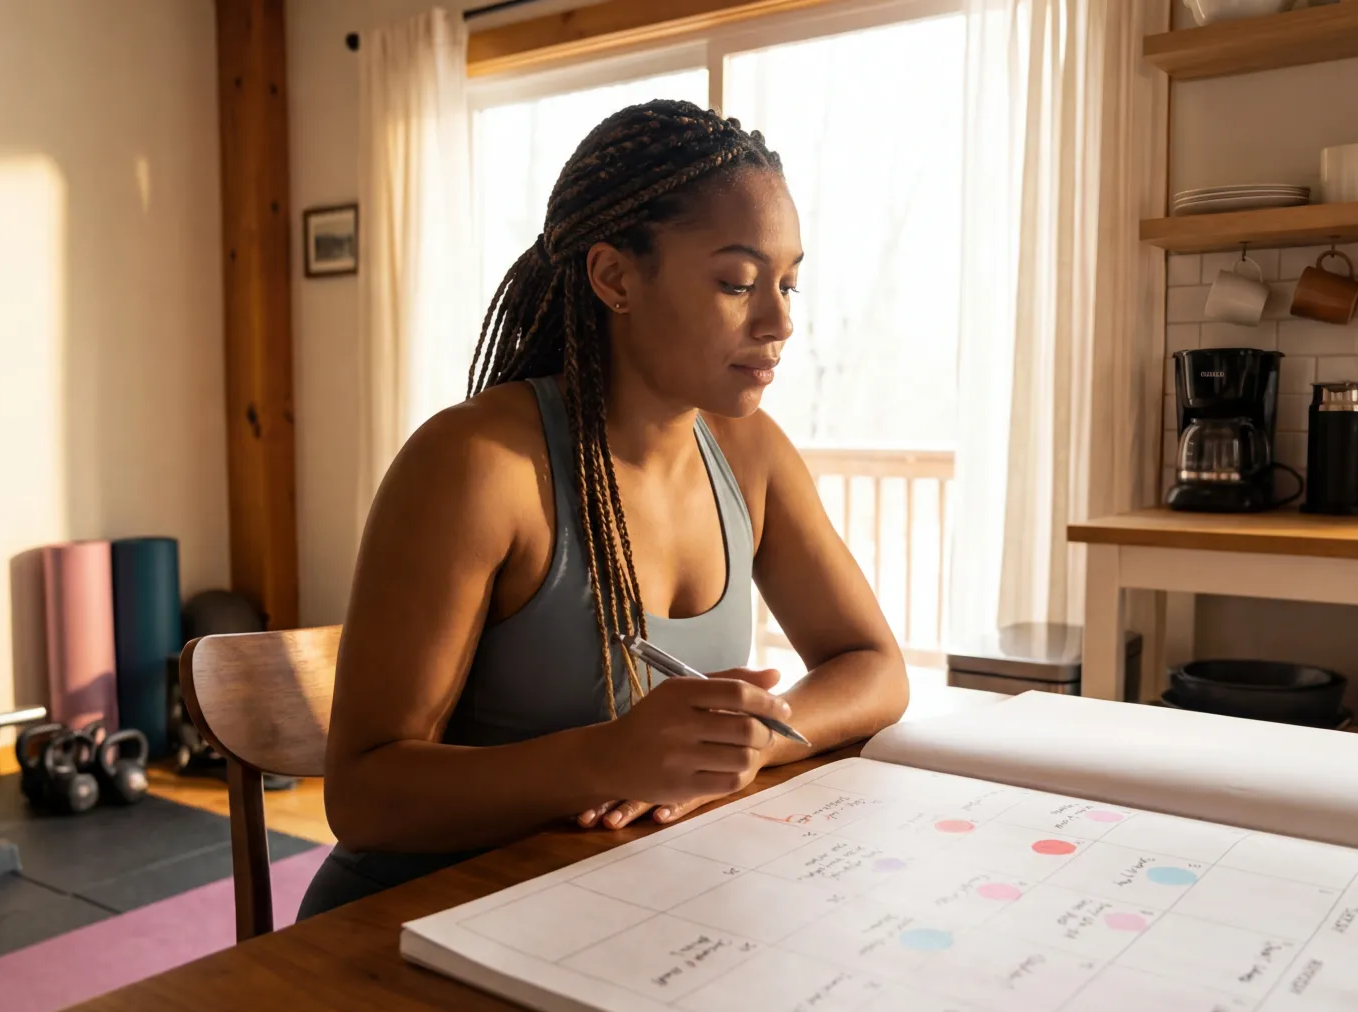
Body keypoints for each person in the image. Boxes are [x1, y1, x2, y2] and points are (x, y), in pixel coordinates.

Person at [301, 100, 909, 920]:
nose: (779, 322)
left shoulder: (750, 452)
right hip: (413, 927)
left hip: (610, 909)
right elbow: (365, 798)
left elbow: (876, 666)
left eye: (788, 282)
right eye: (737, 282)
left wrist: (758, 738)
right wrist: (609, 759)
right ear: (614, 277)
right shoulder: (479, 465)